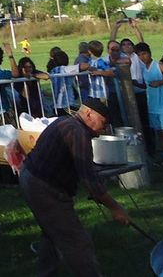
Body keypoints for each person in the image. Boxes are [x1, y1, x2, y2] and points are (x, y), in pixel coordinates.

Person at [19, 98, 129, 276]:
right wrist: (115, 208)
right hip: (44, 188)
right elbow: (90, 182)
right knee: (76, 242)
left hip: (31, 178)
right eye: (103, 123)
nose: (102, 131)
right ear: (88, 114)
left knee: (52, 233)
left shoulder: (64, 122)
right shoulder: (77, 132)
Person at [132, 43, 163, 163]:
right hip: (152, 105)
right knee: (159, 132)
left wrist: (160, 82)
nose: (142, 57)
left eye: (144, 54)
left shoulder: (159, 65)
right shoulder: (142, 69)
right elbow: (145, 85)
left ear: (149, 53)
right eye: (139, 55)